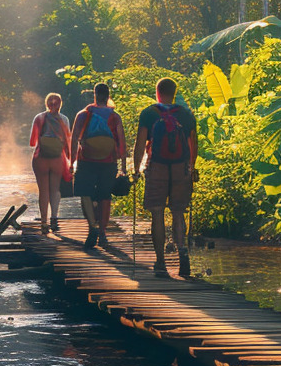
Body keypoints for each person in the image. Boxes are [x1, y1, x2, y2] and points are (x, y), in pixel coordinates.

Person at [133, 77, 198, 277]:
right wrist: (191, 167)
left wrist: (136, 170)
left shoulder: (149, 113)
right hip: (180, 169)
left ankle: (161, 261)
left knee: (158, 213)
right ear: (174, 92)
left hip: (157, 168)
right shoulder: (186, 114)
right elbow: (193, 144)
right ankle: (183, 255)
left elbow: (140, 143)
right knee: (178, 212)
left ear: (157, 92)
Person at [69, 82, 127, 249]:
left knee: (85, 194)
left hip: (86, 160)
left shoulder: (83, 115)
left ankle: (92, 226)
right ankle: (102, 233)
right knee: (104, 197)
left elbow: (73, 139)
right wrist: (123, 165)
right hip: (109, 162)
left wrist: (72, 161)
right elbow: (121, 142)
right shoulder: (115, 117)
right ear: (108, 96)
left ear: (94, 95)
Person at [29, 93, 71, 233]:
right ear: (61, 104)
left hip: (41, 157)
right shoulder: (64, 119)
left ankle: (44, 223)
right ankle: (54, 218)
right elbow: (67, 142)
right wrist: (70, 161)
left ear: (46, 104)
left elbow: (32, 141)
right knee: (55, 189)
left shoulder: (39, 118)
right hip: (57, 158)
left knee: (43, 191)